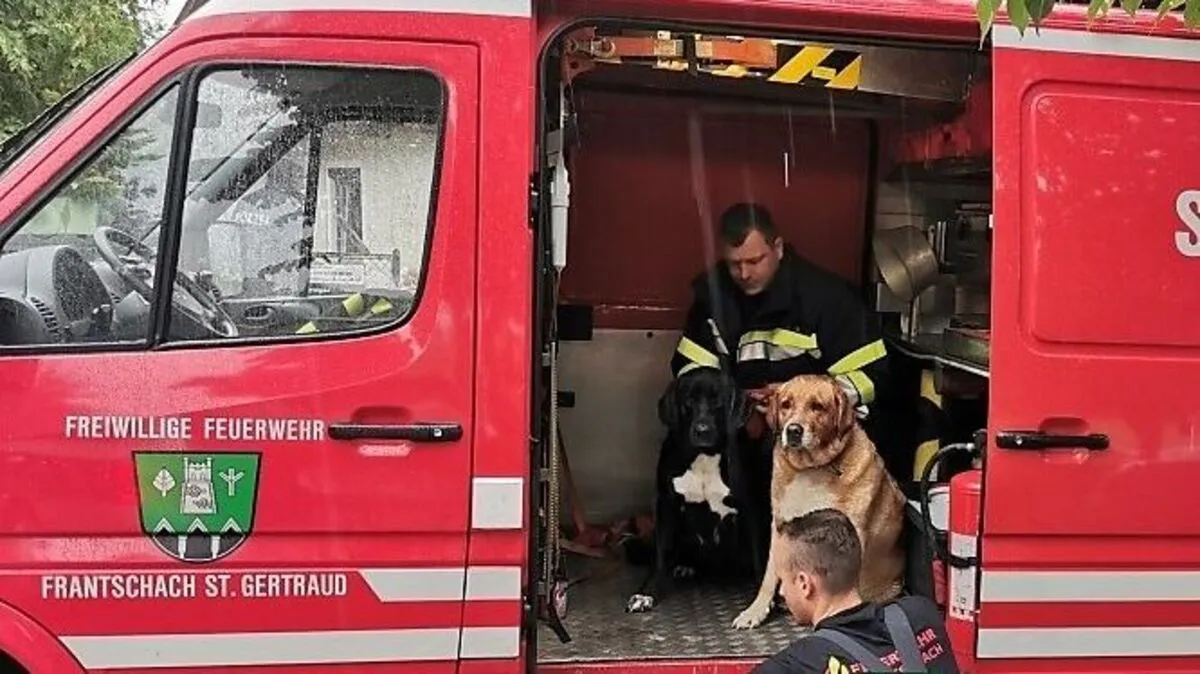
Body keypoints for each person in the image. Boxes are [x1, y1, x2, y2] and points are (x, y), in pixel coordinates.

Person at [669, 202, 888, 428]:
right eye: (734, 264)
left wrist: (796, 397)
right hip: (741, 434)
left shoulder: (830, 300)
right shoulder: (711, 299)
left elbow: (871, 378)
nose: (744, 274)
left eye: (755, 261)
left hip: (817, 439)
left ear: (779, 248)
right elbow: (690, 374)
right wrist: (733, 401)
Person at [753, 508, 960, 674]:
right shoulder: (921, 613)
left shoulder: (793, 665)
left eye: (783, 580)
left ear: (804, 584)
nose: (780, 592)